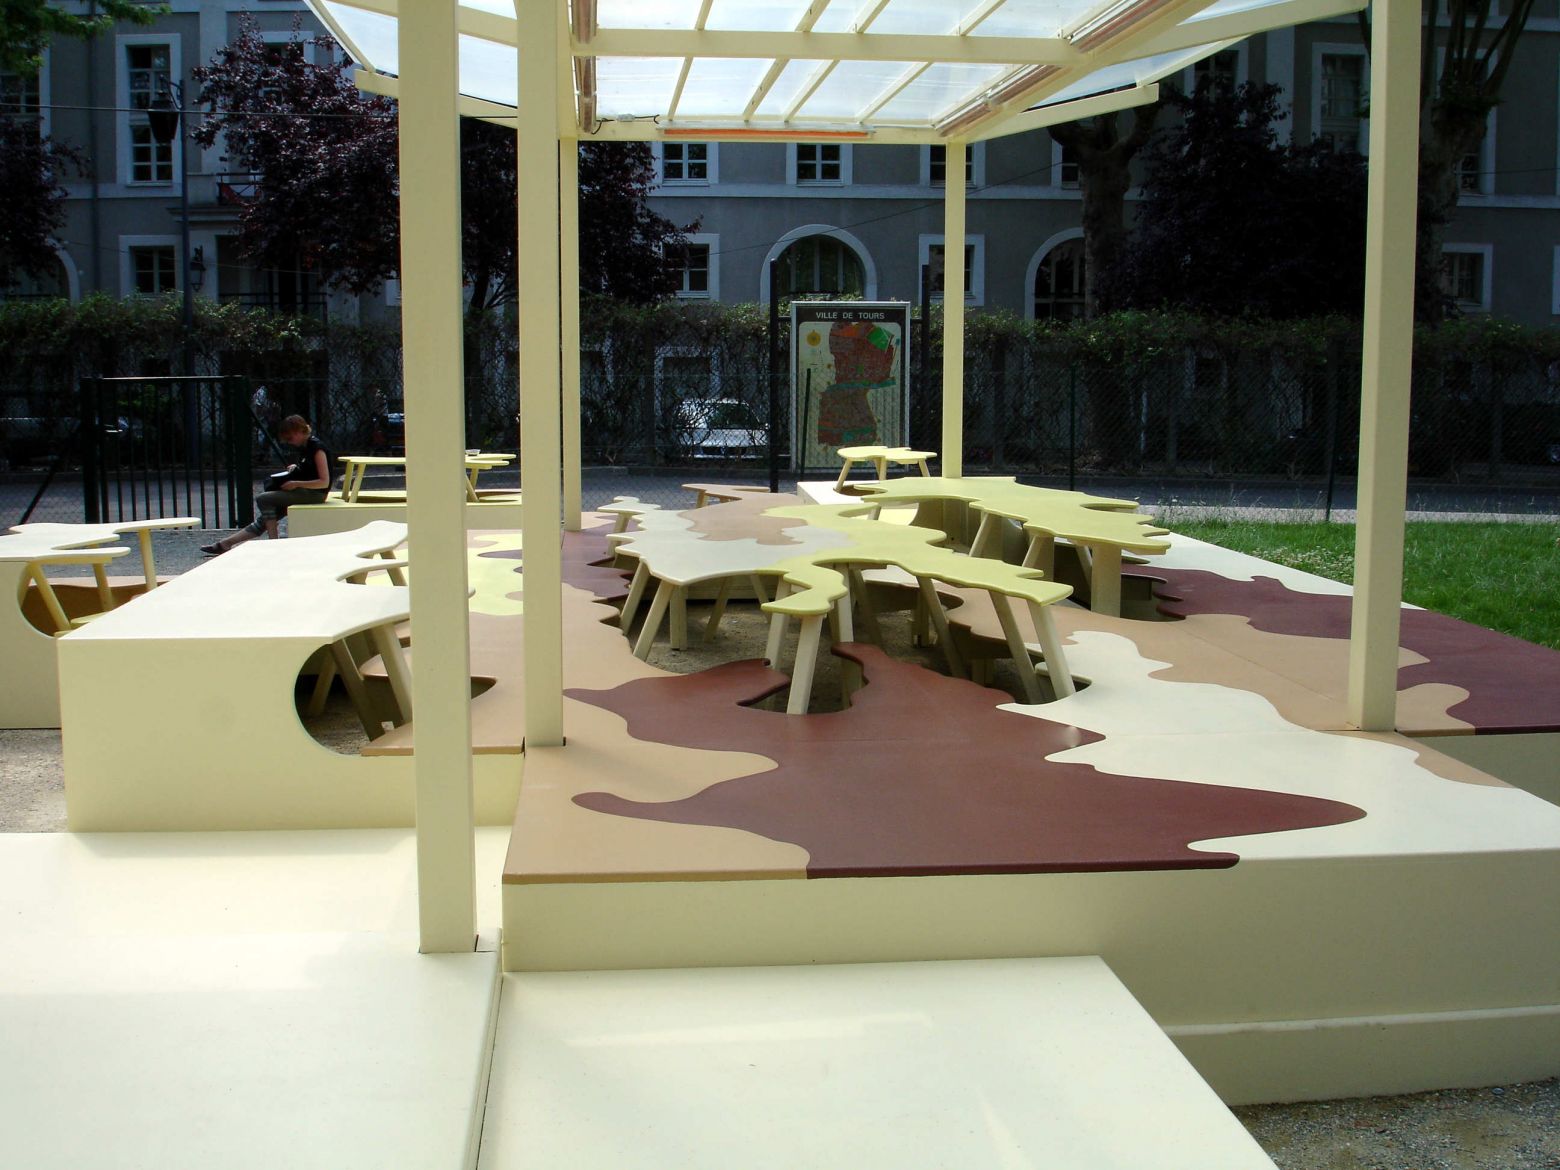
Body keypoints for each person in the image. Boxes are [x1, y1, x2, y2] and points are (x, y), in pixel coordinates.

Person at [201, 415, 333, 555]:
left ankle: (273, 543)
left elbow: (324, 482)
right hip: (306, 491)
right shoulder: (306, 447)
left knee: (264, 499)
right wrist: (296, 468)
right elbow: (310, 471)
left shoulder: (317, 449)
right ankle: (225, 544)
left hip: (315, 494)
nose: (290, 442)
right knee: (266, 518)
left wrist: (295, 483)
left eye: (290, 438)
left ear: (299, 431)